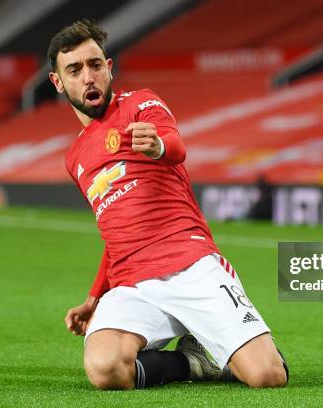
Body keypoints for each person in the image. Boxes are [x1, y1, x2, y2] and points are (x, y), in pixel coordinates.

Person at [47, 20, 288, 391]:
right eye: (75, 70)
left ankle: (226, 344)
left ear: (109, 68)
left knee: (267, 376)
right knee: (104, 369)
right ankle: (194, 361)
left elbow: (175, 145)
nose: (88, 77)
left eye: (95, 65)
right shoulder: (75, 157)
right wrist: (94, 297)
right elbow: (116, 231)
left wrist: (157, 146)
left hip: (189, 264)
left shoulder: (141, 104)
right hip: (132, 284)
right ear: (59, 82)